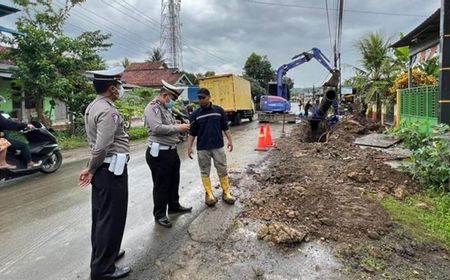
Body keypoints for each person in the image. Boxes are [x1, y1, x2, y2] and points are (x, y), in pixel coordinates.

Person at [78, 66, 131, 280]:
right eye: (119, 85)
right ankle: (103, 270)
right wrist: (91, 168)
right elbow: (102, 146)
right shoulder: (108, 110)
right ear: (111, 88)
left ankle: (106, 254)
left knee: (101, 218)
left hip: (104, 171)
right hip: (110, 171)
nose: (120, 88)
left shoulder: (94, 105)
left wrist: (93, 168)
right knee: (112, 219)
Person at [144, 79, 192, 228]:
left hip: (171, 150)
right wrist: (179, 128)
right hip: (159, 153)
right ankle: (159, 214)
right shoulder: (153, 108)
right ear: (165, 95)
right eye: (173, 99)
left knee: (173, 181)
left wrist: (181, 125)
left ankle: (174, 206)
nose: (173, 102)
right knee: (161, 185)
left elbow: (169, 124)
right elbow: (157, 128)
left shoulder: (165, 108)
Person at [187, 88, 235, 207]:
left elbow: (225, 127)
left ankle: (226, 192)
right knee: (204, 171)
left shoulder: (219, 111)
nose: (201, 100)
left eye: (203, 97)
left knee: (222, 169)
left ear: (209, 97)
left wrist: (230, 141)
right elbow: (192, 133)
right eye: (199, 98)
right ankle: (209, 194)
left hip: (218, 147)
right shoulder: (195, 115)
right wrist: (189, 147)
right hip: (203, 148)